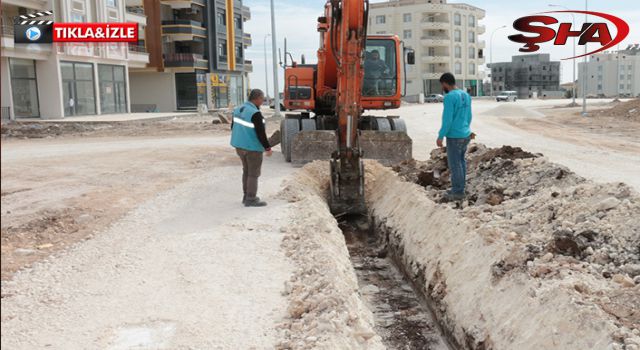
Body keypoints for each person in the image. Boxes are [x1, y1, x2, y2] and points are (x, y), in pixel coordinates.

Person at [230, 89, 272, 207]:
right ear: (257, 98)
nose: (262, 102)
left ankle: (246, 196)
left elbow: (233, 126)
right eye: (262, 99)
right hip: (252, 148)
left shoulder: (238, 109)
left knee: (246, 171)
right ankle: (251, 199)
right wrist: (267, 148)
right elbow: (261, 133)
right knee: (253, 174)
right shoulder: (255, 113)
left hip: (239, 146)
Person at [436, 73, 473, 201]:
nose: (442, 87)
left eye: (442, 85)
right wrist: (467, 129)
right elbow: (469, 116)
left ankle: (457, 192)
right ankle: (459, 188)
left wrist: (440, 136)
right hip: (465, 134)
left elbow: (447, 120)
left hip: (454, 136)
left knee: (455, 164)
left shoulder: (449, 97)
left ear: (445, 83)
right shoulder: (466, 95)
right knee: (461, 162)